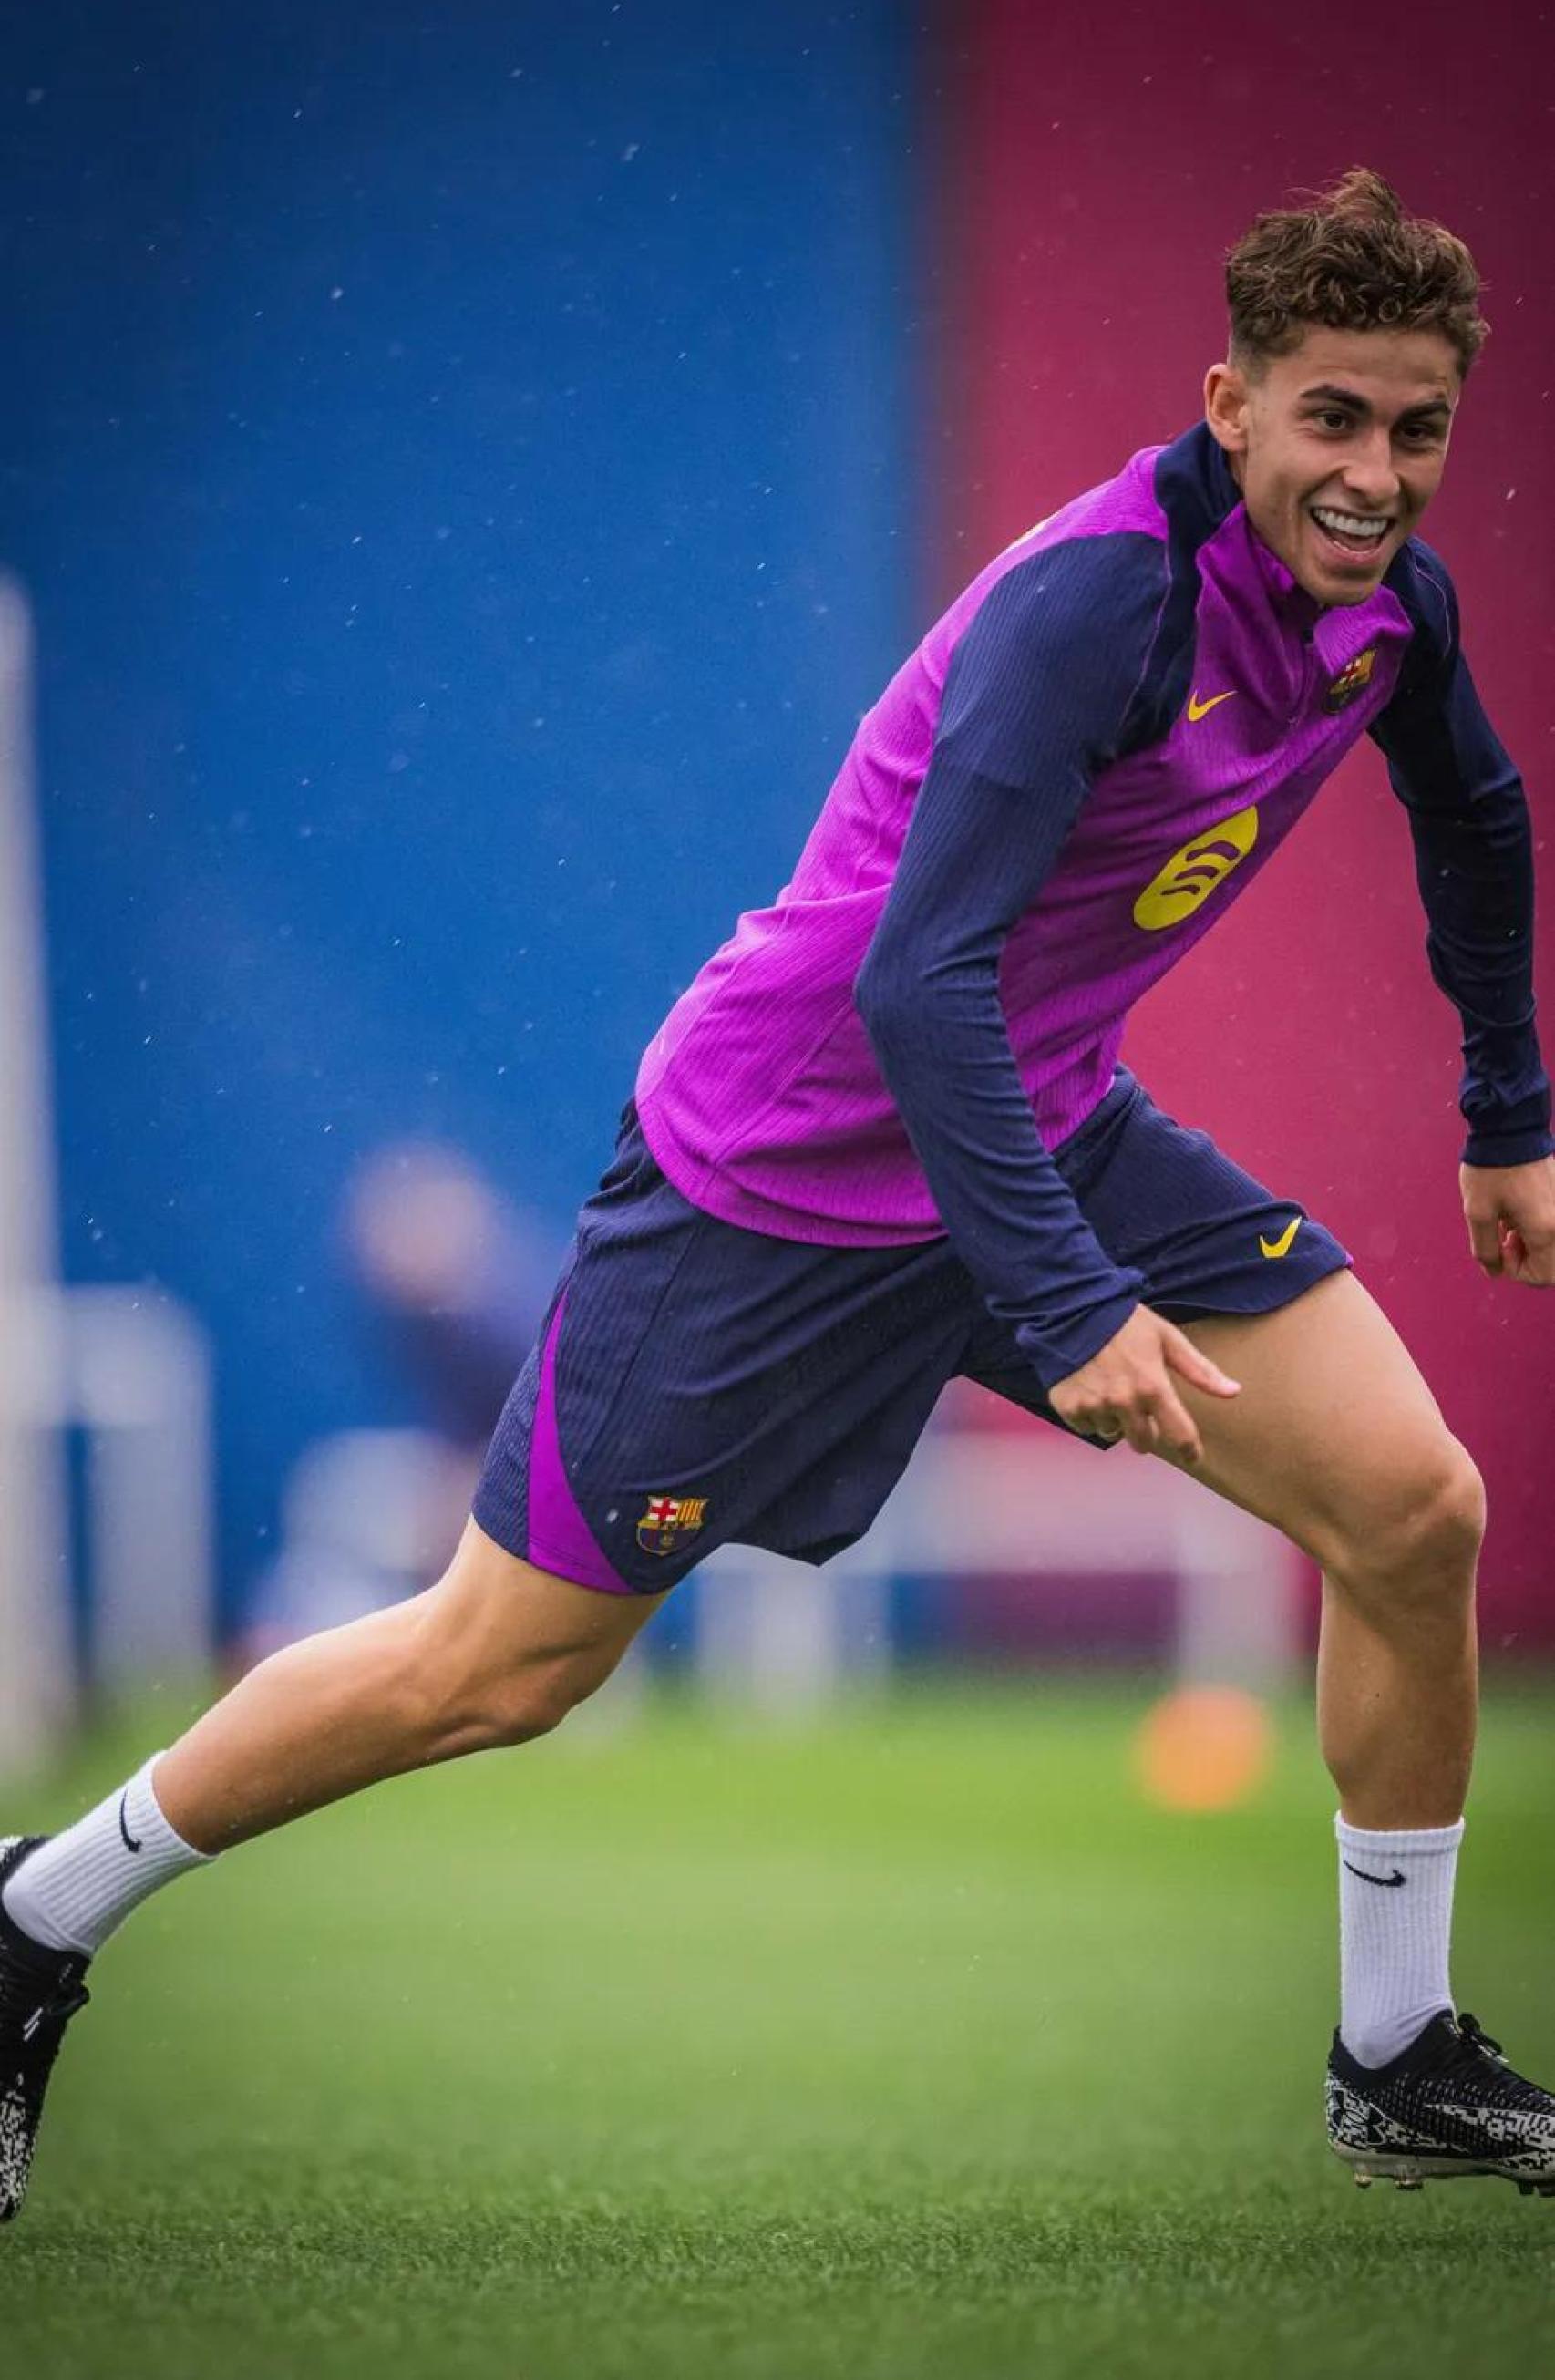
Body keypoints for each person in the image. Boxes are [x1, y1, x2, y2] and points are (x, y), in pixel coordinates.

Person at [5, 166, 1554, 2220]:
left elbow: (1476, 810)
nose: (1373, 471)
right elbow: (916, 984)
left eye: (1416, 427)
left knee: (1411, 1508)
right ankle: (38, 1912)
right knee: (500, 1667)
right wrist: (1077, 1303)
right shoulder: (1102, 600)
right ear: (1228, 404)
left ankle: (1392, 2052)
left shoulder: (1387, 614)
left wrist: (1505, 1103)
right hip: (782, 1174)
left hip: (1034, 1117)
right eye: (1330, 419)